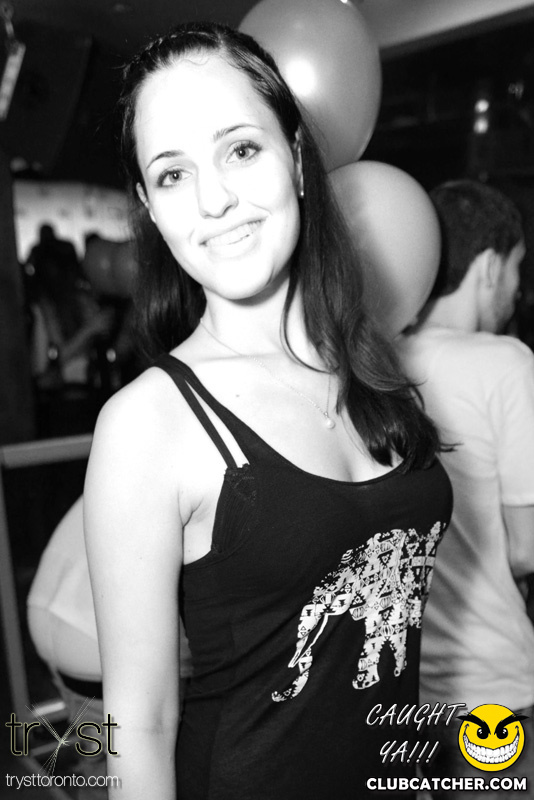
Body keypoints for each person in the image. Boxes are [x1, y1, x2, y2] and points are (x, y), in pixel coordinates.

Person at [83, 22, 452, 800]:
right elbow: (137, 724)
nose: (214, 199)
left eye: (241, 150)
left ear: (296, 156)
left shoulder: (368, 368)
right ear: (150, 208)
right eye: (173, 174)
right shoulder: (148, 424)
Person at [397, 179, 534, 798]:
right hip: (490, 687)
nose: (517, 289)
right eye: (517, 268)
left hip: (404, 691)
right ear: (489, 266)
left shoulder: (378, 362)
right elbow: (525, 549)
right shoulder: (506, 362)